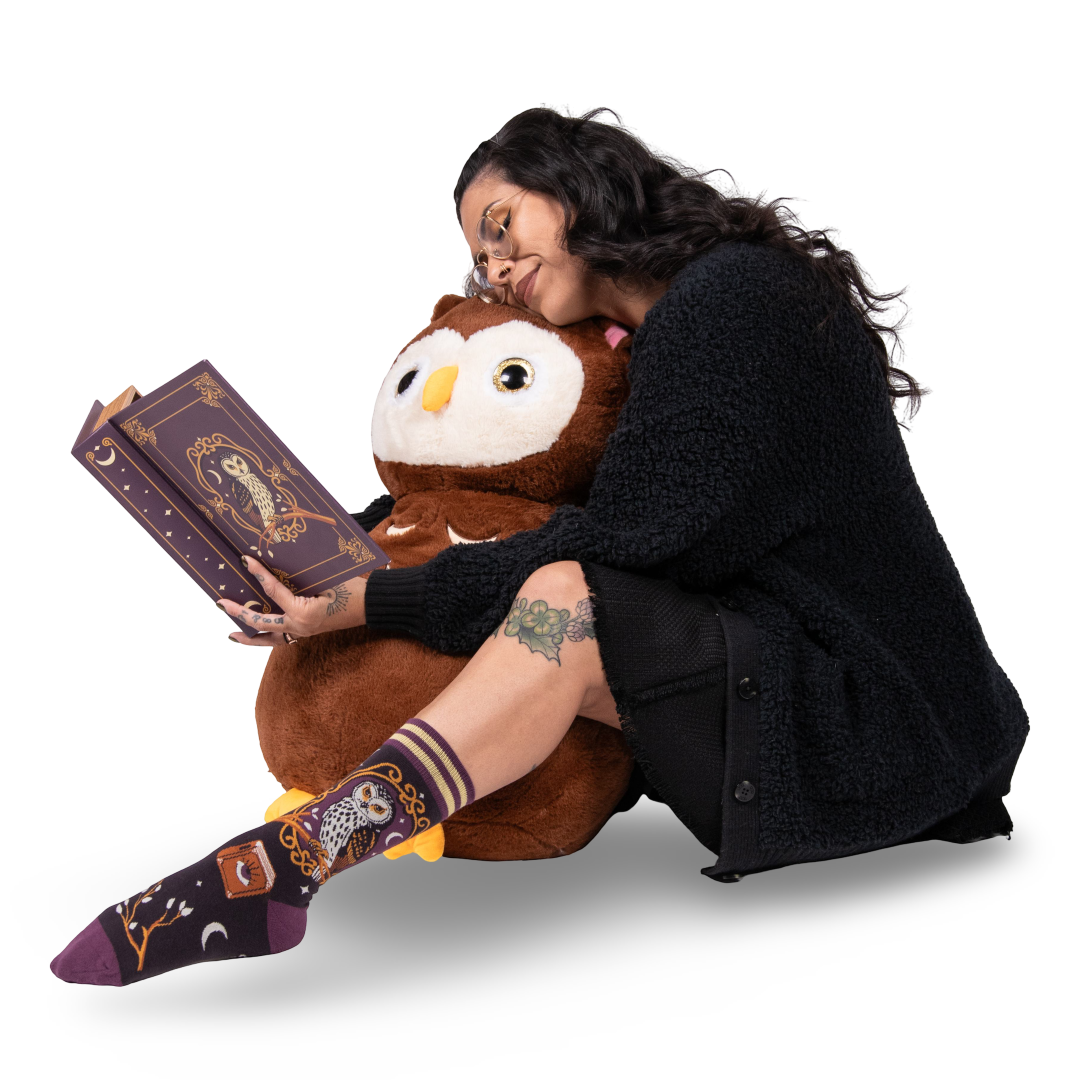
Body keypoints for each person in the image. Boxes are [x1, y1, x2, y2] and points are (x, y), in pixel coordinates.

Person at [51, 108, 1028, 986]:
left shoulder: (733, 298)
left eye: (500, 225)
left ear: (577, 188)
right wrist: (336, 547)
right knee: (560, 582)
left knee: (567, 594)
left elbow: (623, 542)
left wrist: (369, 601)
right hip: (805, 681)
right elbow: (556, 503)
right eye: (479, 256)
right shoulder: (657, 335)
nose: (493, 266)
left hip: (885, 720)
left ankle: (290, 862)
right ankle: (285, 868)